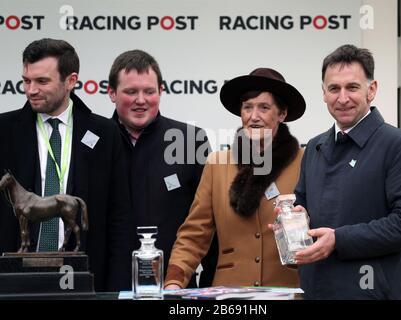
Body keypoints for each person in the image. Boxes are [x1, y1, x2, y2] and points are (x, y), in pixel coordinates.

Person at [292, 44, 401, 299]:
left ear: (372, 90)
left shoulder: (399, 145)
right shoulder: (314, 147)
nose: (342, 98)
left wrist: (339, 239)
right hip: (315, 292)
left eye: (352, 87)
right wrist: (293, 220)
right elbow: (302, 207)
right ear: (323, 93)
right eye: (334, 88)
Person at [0, 38, 133, 292]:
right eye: (26, 81)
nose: (31, 90)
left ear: (71, 81)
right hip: (12, 282)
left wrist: (116, 291)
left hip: (84, 280)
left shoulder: (106, 133)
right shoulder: (3, 132)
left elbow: (119, 219)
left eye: (42, 81)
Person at [164, 68, 306, 289]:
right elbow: (193, 236)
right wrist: (174, 282)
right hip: (231, 295)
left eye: (264, 107)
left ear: (282, 113)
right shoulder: (216, 165)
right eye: (247, 107)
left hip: (289, 290)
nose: (253, 116)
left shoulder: (306, 162)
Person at [107, 49, 217, 288]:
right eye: (130, 91)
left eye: (149, 91)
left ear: (161, 92)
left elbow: (207, 221)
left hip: (175, 286)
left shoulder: (190, 140)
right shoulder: (95, 140)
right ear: (111, 93)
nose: (141, 100)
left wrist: (211, 282)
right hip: (107, 287)